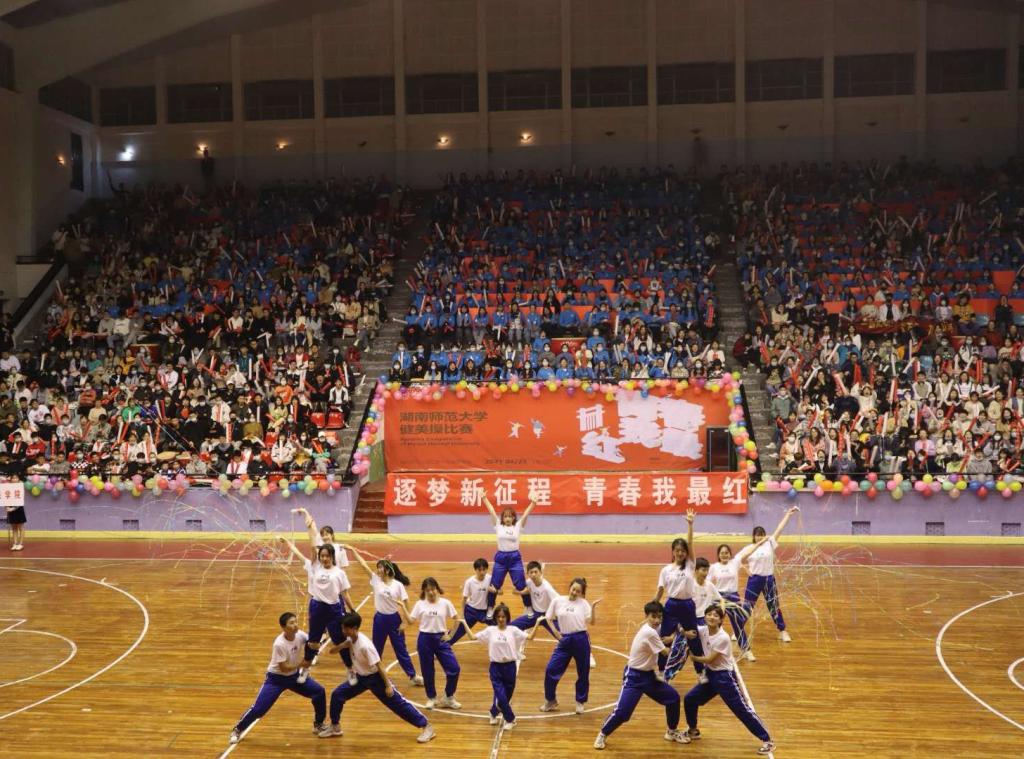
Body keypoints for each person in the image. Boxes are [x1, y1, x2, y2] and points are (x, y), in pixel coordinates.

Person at [318, 612, 435, 743]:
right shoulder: (350, 640)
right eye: (342, 628)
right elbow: (332, 651)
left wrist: (388, 686)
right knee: (337, 695)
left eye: (345, 628)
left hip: (375, 679)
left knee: (398, 704)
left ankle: (426, 726)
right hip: (361, 678)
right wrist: (341, 646)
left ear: (354, 628)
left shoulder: (365, 646)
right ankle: (335, 727)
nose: (343, 631)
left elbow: (379, 665)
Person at [594, 601, 690, 750]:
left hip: (649, 676)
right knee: (623, 713)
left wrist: (675, 634)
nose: (657, 620)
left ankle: (671, 731)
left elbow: (667, 634)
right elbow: (666, 653)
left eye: (660, 617)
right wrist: (684, 644)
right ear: (646, 616)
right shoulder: (649, 632)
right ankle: (602, 734)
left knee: (673, 698)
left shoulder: (655, 628)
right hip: (634, 677)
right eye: (653, 616)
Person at [682, 605, 775, 754]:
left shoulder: (723, 638)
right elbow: (687, 631)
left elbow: (709, 659)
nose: (712, 617)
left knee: (741, 709)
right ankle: (693, 730)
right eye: (709, 614)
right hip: (711, 675)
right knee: (690, 699)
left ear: (721, 620)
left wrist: (692, 657)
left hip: (724, 678)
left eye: (715, 615)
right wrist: (678, 631)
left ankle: (767, 740)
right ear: (704, 617)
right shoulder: (703, 630)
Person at [229, 611, 327, 744]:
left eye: (296, 622)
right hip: (276, 679)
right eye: (291, 623)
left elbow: (311, 642)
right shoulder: (279, 644)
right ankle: (238, 729)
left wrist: (315, 644)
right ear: (283, 627)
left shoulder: (300, 635)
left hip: (294, 676)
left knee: (319, 692)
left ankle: (319, 724)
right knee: (259, 709)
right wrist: (302, 664)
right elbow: (284, 668)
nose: (295, 625)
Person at [278, 537, 356, 684]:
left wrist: (353, 610)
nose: (324, 558)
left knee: (339, 640)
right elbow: (299, 553)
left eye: (327, 556)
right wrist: (288, 543)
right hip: (317, 608)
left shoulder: (340, 573)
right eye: (322, 556)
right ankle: (305, 669)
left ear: (332, 556)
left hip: (334, 609)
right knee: (313, 641)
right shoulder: (313, 567)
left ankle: (350, 670)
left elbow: (345, 594)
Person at [346, 545, 423, 687]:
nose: (378, 570)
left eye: (380, 567)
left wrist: (404, 623)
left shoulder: (398, 585)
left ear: (387, 570)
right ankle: (374, 673)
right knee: (376, 649)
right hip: (380, 620)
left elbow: (406, 602)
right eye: (377, 567)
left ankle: (412, 676)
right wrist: (353, 551)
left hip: (394, 620)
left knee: (401, 649)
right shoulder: (376, 580)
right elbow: (363, 565)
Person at [456, 602, 528, 729]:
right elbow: (472, 637)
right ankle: (511, 719)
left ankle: (493, 712)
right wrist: (464, 623)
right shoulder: (490, 631)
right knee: (501, 696)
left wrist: (539, 622)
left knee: (505, 697)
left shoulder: (513, 630)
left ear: (507, 617)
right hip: (495, 668)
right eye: (498, 616)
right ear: (495, 618)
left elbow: (529, 637)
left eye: (503, 617)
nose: (501, 619)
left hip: (510, 667)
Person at [534, 577, 600, 714]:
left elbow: (592, 622)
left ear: (581, 593)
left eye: (578, 591)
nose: (574, 592)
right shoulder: (558, 601)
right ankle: (550, 700)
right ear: (570, 587)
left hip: (581, 639)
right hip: (564, 640)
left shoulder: (584, 604)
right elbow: (548, 618)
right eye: (573, 589)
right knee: (551, 669)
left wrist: (593, 608)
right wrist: (556, 633)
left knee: (583, 671)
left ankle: (580, 701)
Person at [743, 506, 799, 644]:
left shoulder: (770, 544)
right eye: (757, 534)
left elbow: (779, 529)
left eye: (762, 534)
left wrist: (788, 514)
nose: (760, 536)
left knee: (773, 606)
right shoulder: (749, 548)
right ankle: (738, 630)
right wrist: (747, 570)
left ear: (765, 535)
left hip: (768, 579)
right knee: (747, 606)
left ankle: (782, 630)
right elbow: (738, 560)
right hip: (754, 580)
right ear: (754, 536)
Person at [653, 509, 699, 672]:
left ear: (686, 553)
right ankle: (661, 671)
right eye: (677, 550)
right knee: (665, 637)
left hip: (688, 605)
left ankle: (700, 671)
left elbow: (691, 543)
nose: (680, 553)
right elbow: (660, 590)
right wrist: (652, 607)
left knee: (693, 637)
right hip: (671, 606)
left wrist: (690, 525)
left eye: (683, 551)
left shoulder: (690, 565)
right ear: (673, 552)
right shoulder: (666, 570)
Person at [409, 577, 462, 709]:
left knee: (454, 669)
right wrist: (403, 607)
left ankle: (448, 697)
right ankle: (431, 697)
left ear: (437, 589)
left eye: (433, 589)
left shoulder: (445, 603)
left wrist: (450, 635)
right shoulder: (420, 604)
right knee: (427, 670)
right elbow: (411, 620)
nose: (431, 592)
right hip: (424, 639)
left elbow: (457, 619)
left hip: (440, 639)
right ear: (424, 591)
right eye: (428, 590)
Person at [481, 495, 537, 619]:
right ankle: (490, 607)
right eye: (505, 516)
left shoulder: (518, 526)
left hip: (515, 558)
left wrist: (533, 503)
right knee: (494, 584)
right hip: (501, 558)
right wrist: (484, 498)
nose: (507, 518)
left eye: (510, 516)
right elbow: (492, 511)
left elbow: (526, 514)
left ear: (513, 518)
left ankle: (528, 606)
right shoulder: (498, 526)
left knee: (521, 584)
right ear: (503, 518)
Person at [708, 542, 760, 661]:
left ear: (730, 554)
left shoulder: (735, 562)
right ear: (718, 555)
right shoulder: (714, 567)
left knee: (738, 625)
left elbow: (748, 552)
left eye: (726, 553)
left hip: (733, 597)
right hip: (719, 598)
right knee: (714, 625)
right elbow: (707, 582)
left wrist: (760, 543)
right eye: (722, 553)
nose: (724, 555)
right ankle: (709, 649)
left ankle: (746, 650)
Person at [509, 560, 558, 652]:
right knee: (512, 627)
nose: (533, 574)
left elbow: (558, 601)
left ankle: (583, 653)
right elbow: (514, 591)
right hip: (535, 615)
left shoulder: (547, 588)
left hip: (547, 617)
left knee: (564, 637)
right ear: (528, 574)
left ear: (540, 572)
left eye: (536, 572)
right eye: (531, 572)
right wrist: (522, 592)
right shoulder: (529, 582)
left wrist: (555, 615)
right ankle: (514, 650)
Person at [448, 558, 492, 645]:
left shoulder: (490, 579)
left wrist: (495, 591)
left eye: (484, 569)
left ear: (487, 569)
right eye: (479, 570)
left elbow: (500, 591)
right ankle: (442, 647)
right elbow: (464, 599)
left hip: (485, 612)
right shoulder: (469, 582)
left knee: (500, 626)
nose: (482, 572)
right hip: (471, 611)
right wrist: (462, 614)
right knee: (458, 632)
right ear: (475, 570)